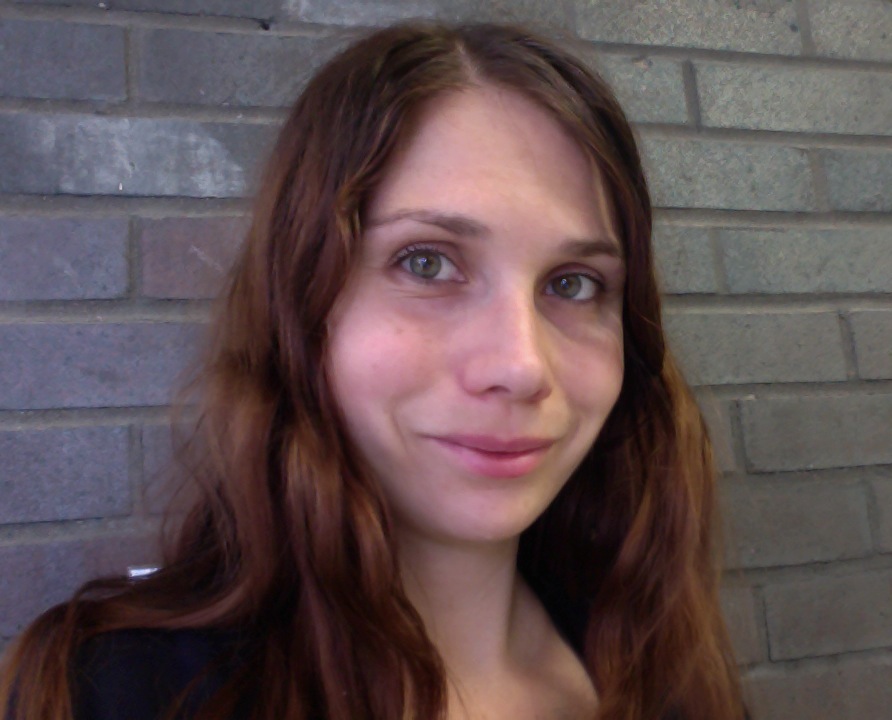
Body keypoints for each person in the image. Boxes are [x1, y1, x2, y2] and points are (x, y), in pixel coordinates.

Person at [0, 21, 746, 720]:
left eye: (573, 283)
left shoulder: (666, 675)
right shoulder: (113, 691)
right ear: (302, 305)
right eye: (427, 264)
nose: (521, 367)